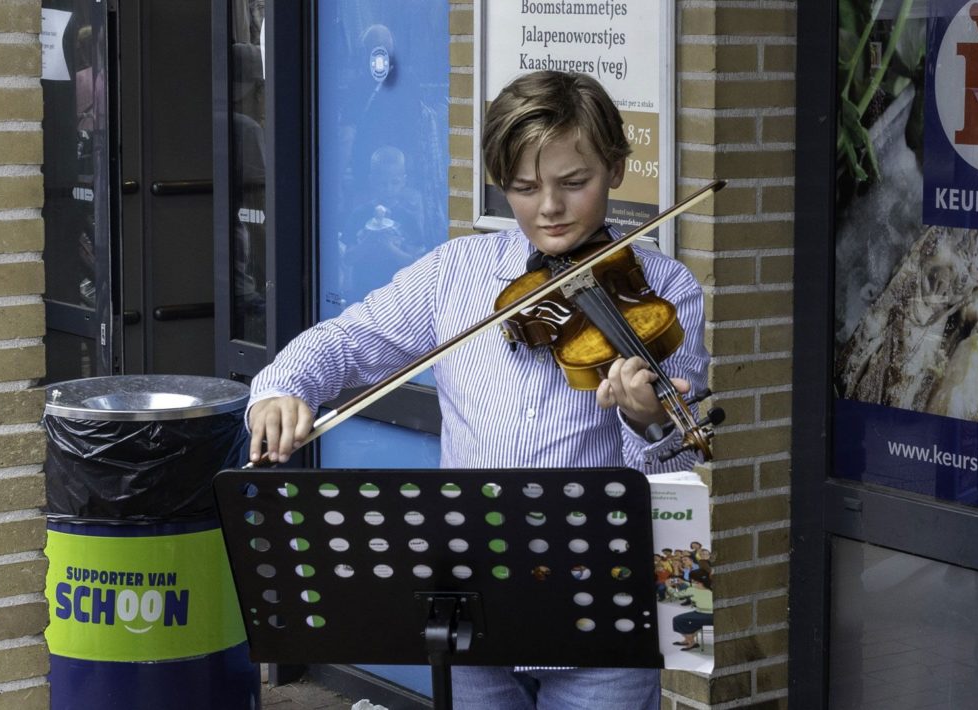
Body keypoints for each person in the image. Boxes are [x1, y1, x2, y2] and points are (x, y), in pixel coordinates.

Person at [248, 70, 710, 710]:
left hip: (596, 613)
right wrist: (283, 385)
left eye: (573, 183)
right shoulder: (457, 273)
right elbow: (349, 341)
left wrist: (647, 420)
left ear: (617, 168)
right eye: (524, 188)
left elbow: (677, 468)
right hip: (470, 604)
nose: (548, 208)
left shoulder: (662, 290)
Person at [669, 569, 714, 652]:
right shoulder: (711, 586)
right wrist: (683, 582)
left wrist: (668, 586)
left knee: (677, 619)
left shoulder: (692, 589)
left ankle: (691, 642)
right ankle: (688, 638)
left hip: (702, 614)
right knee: (689, 619)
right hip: (714, 616)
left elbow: (676, 595)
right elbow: (695, 585)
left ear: (694, 579)